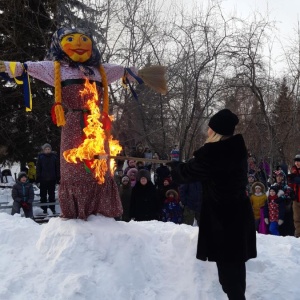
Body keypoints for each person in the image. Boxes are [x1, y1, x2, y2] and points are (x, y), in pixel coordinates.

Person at [0, 27, 166, 220]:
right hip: (72, 124)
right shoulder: (56, 68)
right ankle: (76, 214)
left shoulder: (100, 70)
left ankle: (102, 212)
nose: (78, 43)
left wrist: (140, 74)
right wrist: (10, 67)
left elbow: (124, 71)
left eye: (83, 39)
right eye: (71, 39)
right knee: (74, 166)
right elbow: (28, 67)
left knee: (100, 167)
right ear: (59, 45)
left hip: (97, 125)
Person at [167, 108, 257, 300]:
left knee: (228, 278)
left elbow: (187, 174)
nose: (207, 130)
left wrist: (175, 167)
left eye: (210, 128)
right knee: (236, 272)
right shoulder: (236, 149)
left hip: (223, 221)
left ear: (217, 131)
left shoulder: (214, 153)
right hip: (238, 216)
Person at [36, 143, 60, 215]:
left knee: (51, 195)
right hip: (43, 179)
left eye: (48, 149)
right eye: (46, 149)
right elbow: (38, 168)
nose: (47, 150)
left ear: (51, 149)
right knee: (43, 195)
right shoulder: (40, 157)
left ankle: (52, 209)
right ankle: (44, 209)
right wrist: (38, 178)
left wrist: (58, 177)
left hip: (52, 179)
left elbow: (57, 168)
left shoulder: (54, 157)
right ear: (43, 150)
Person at [272, 170, 295, 236]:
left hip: (286, 210)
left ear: (283, 177)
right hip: (275, 211)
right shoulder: (273, 186)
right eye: (277, 176)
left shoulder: (287, 187)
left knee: (287, 226)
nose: (278, 178)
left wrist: (281, 197)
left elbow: (289, 196)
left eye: (280, 176)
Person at [288, 154, 300, 238]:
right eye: (296, 161)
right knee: (296, 218)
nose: (297, 163)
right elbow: (290, 184)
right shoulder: (293, 171)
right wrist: (291, 192)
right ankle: (298, 234)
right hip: (296, 199)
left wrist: (296, 179)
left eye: (299, 161)